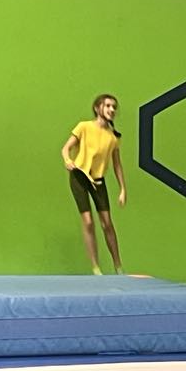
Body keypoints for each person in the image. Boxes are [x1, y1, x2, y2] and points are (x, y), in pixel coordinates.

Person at [61, 94, 126, 275]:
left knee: (107, 223)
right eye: (108, 106)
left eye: (114, 107)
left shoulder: (113, 137)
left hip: (98, 180)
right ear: (98, 108)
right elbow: (66, 148)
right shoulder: (84, 127)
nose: (112, 110)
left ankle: (118, 266)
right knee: (88, 222)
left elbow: (117, 165)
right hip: (79, 176)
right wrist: (67, 160)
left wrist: (122, 189)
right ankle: (96, 267)